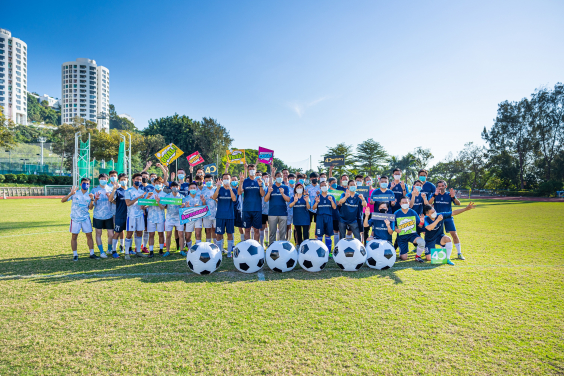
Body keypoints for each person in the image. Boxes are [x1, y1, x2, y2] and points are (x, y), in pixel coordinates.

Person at [61, 178, 96, 261]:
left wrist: (92, 199)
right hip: (75, 218)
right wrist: (71, 194)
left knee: (89, 236)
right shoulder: (75, 193)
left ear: (89, 185)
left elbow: (90, 208)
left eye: (87, 183)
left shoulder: (90, 195)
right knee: (74, 236)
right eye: (84, 183)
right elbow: (63, 200)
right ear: (80, 184)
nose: (85, 185)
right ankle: (75, 254)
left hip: (85, 218)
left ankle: (92, 253)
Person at [428, 180, 465, 260]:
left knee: (454, 234)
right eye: (439, 186)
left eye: (442, 186)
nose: (441, 187)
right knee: (438, 235)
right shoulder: (435, 194)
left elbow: (458, 203)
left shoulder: (449, 195)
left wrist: (453, 197)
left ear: (446, 186)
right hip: (437, 218)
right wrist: (434, 195)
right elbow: (428, 203)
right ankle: (439, 252)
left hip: (448, 217)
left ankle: (459, 253)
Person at [238, 163, 265, 242]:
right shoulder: (245, 181)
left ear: (255, 170)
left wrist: (260, 185)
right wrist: (241, 182)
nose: (251, 171)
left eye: (253, 169)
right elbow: (239, 193)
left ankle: (256, 247)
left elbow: (262, 194)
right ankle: (248, 246)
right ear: (248, 170)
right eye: (250, 169)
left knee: (257, 230)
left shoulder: (260, 181)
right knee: (247, 229)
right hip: (247, 210)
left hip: (257, 209)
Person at [394, 196, 426, 262]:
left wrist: (422, 222)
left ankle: (417, 257)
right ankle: (401, 251)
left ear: (409, 203)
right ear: (400, 203)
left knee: (422, 242)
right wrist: (396, 229)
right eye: (403, 202)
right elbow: (393, 225)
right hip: (402, 236)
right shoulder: (396, 213)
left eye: (406, 202)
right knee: (404, 258)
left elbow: (419, 225)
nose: (404, 204)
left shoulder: (413, 212)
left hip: (412, 235)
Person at [123, 173, 147, 260]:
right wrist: (138, 198)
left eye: (140, 180)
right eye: (137, 179)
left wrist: (144, 206)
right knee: (129, 234)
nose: (139, 181)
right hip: (131, 216)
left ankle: (138, 252)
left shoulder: (142, 191)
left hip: (140, 215)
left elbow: (143, 205)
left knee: (140, 232)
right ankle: (126, 253)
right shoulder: (128, 191)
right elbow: (128, 203)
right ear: (133, 180)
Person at [212, 174, 237, 257]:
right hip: (220, 216)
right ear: (222, 180)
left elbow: (234, 199)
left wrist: (230, 188)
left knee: (230, 234)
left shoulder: (233, 190)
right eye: (224, 178)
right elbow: (214, 197)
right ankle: (219, 252)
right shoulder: (219, 189)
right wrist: (218, 187)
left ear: (230, 180)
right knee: (219, 234)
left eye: (227, 178)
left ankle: (229, 252)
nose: (226, 180)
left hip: (230, 216)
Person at [264, 168, 290, 244]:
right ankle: (271, 248)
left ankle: (282, 248)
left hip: (283, 213)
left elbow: (288, 200)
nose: (280, 177)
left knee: (283, 233)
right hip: (272, 213)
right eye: (278, 176)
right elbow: (265, 200)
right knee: (272, 233)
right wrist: (269, 192)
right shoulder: (271, 187)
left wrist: (282, 193)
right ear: (275, 178)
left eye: (281, 176)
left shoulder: (285, 187)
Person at [91, 173, 114, 258]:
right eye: (101, 178)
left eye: (105, 178)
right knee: (98, 233)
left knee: (111, 234)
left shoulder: (111, 189)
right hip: (98, 215)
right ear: (99, 179)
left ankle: (109, 249)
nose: (103, 180)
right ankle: (101, 252)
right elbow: (92, 204)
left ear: (107, 180)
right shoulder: (94, 190)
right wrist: (95, 200)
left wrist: (110, 197)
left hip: (109, 215)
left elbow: (113, 201)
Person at [109, 173, 129, 259]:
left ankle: (125, 247)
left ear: (127, 180)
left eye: (125, 179)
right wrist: (114, 189)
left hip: (130, 216)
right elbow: (110, 199)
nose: (123, 181)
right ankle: (114, 250)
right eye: (121, 180)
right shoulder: (118, 191)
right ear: (119, 181)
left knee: (129, 233)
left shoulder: (131, 190)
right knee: (117, 232)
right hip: (120, 215)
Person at [181, 182, 205, 255]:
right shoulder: (185, 198)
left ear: (197, 189)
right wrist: (186, 208)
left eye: (194, 188)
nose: (192, 189)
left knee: (198, 233)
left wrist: (202, 203)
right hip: (189, 219)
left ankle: (198, 250)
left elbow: (204, 208)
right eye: (191, 188)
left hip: (198, 218)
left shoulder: (200, 197)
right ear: (188, 189)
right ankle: (190, 249)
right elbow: (182, 211)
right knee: (187, 236)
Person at [146, 177, 167, 257]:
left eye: (159, 183)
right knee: (151, 235)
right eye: (156, 183)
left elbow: (163, 207)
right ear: (154, 184)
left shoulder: (164, 195)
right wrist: (147, 197)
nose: (158, 185)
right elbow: (144, 204)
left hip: (160, 217)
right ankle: (151, 251)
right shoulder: (150, 193)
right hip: (151, 217)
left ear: (162, 184)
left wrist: (158, 202)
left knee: (161, 234)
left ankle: (161, 250)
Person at [312, 180, 337, 251]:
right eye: (322, 186)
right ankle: (320, 251)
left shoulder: (331, 196)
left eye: (325, 185)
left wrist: (331, 201)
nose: (324, 187)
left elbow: (334, 207)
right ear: (320, 187)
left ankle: (328, 252)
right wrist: (316, 202)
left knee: (328, 235)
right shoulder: (318, 197)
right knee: (319, 235)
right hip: (320, 217)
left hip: (328, 217)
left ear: (328, 186)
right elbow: (313, 208)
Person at [163, 182, 185, 257]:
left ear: (179, 187)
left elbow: (184, 209)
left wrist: (183, 207)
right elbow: (164, 206)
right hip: (169, 218)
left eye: (176, 186)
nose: (175, 188)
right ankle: (167, 251)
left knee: (181, 234)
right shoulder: (167, 196)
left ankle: (181, 250)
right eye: (173, 186)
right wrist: (158, 201)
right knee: (168, 234)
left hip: (179, 218)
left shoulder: (182, 197)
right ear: (171, 187)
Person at [108, 169, 124, 253]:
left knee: (121, 230)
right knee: (111, 232)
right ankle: (110, 248)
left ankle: (122, 245)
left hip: (120, 212)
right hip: (110, 212)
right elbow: (110, 199)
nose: (113, 177)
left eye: (114, 176)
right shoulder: (107, 187)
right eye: (111, 176)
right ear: (109, 177)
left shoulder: (121, 186)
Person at [200, 174, 218, 244]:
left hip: (216, 214)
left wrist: (215, 199)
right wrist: (204, 202)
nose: (208, 182)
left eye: (209, 180)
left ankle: (216, 245)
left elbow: (220, 202)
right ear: (204, 181)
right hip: (206, 214)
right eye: (206, 181)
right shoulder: (203, 191)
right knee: (208, 230)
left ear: (212, 181)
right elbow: (202, 205)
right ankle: (208, 245)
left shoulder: (216, 189)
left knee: (215, 230)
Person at [327, 177, 340, 247]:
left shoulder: (339, 193)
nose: (335, 184)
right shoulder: (326, 192)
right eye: (333, 183)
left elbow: (341, 203)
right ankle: (328, 248)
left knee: (336, 231)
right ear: (329, 183)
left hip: (336, 214)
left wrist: (339, 203)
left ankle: (336, 248)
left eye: (336, 182)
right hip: (328, 214)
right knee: (327, 232)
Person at [286, 173, 296, 241]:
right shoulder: (286, 188)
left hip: (296, 210)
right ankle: (287, 240)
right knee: (288, 225)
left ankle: (296, 241)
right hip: (288, 209)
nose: (292, 180)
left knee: (296, 226)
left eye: (293, 178)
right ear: (288, 179)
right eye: (290, 178)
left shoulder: (298, 188)